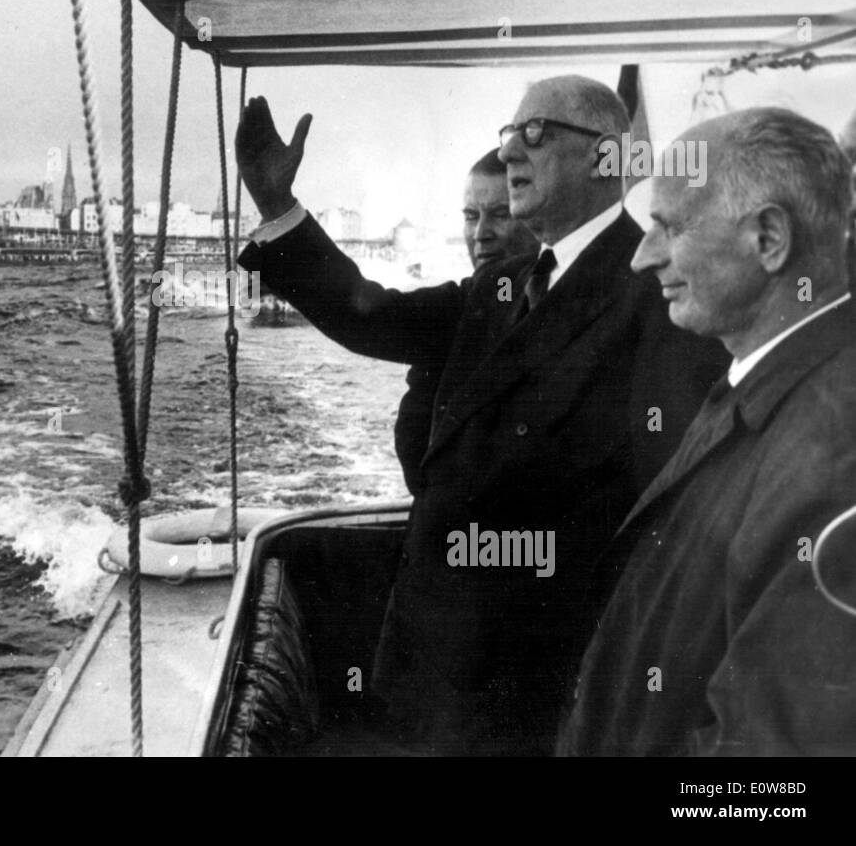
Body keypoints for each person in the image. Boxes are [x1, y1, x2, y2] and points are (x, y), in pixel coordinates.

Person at [235, 75, 729, 755]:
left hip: (536, 691)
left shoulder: (658, 297)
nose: (512, 154)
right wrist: (278, 205)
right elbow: (372, 315)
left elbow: (664, 525)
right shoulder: (509, 281)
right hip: (435, 665)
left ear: (604, 158)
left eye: (535, 135)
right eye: (508, 134)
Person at [558, 107, 856, 756]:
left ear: (769, 238)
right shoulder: (765, 380)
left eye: (669, 227)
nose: (641, 257)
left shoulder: (838, 458)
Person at [395, 149, 537, 494]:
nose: (480, 234)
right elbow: (415, 449)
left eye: (500, 214)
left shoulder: (569, 309)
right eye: (472, 216)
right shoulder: (462, 312)